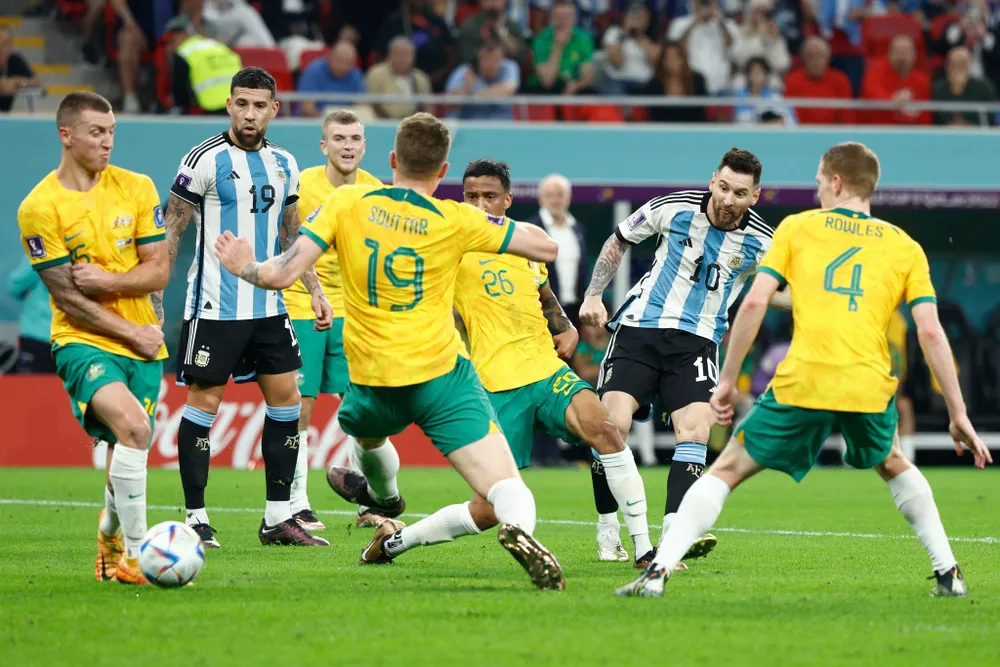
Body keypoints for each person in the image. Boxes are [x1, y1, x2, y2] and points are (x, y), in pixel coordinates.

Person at [616, 142, 993, 598]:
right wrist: (959, 414)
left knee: (727, 469)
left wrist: (728, 381)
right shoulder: (903, 245)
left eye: (818, 181)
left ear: (836, 182)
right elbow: (931, 333)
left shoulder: (798, 228)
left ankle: (657, 574)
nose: (816, 190)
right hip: (867, 382)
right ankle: (948, 573)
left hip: (805, 379)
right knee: (894, 463)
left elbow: (754, 301)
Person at [212, 113, 567, 590]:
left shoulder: (348, 202)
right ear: (442, 173)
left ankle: (386, 497)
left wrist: (243, 264)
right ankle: (521, 533)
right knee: (506, 488)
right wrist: (487, 219)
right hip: (443, 378)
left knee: (369, 441)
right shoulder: (456, 218)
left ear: (393, 160)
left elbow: (279, 274)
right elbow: (546, 248)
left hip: (375, 379)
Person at [330, 158, 656, 570]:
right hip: (496, 383)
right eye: (470, 196)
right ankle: (396, 542)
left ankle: (644, 549)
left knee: (605, 428)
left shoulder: (524, 246)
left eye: (489, 196)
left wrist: (566, 325)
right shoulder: (450, 246)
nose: (479, 204)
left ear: (507, 199)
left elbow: (542, 293)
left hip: (545, 369)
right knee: (487, 509)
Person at [580, 148, 790, 564]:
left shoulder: (764, 241)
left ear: (755, 196)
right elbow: (620, 238)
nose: (729, 199)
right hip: (640, 330)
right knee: (610, 427)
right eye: (724, 187)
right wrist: (593, 293)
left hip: (697, 343)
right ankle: (608, 530)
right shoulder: (673, 208)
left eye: (740, 193)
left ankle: (673, 538)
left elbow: (782, 291)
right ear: (713, 181)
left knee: (694, 432)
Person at [160, 66, 332, 549]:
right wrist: (155, 308)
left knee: (287, 403)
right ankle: (196, 517)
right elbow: (172, 234)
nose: (250, 113)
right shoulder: (203, 160)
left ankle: (277, 518)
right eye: (241, 103)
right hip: (214, 307)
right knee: (203, 407)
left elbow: (293, 236)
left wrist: (314, 290)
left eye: (260, 105)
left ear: (274, 109)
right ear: (229, 105)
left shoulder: (284, 163)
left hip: (270, 306)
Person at [17, 91, 169, 584]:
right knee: (135, 428)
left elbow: (159, 270)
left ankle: (108, 533)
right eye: (96, 133)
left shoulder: (137, 187)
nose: (107, 142)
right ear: (66, 135)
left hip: (142, 341)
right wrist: (130, 330)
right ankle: (139, 556)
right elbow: (66, 297)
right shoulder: (40, 207)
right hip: (81, 340)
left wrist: (108, 283)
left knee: (129, 443)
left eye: (111, 133)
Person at [282, 108, 383, 532]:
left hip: (356, 310)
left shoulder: (377, 190)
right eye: (339, 138)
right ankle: (297, 502)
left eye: (355, 138)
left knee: (363, 410)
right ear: (324, 146)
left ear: (363, 145)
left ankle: (368, 503)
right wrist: (313, 291)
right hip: (301, 302)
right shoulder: (302, 184)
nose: (347, 145)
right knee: (300, 406)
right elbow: (287, 239)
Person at [5, 257, 55, 373]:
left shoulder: (41, 251)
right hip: (75, 339)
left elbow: (14, 286)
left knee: (33, 389)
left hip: (37, 335)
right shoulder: (89, 249)